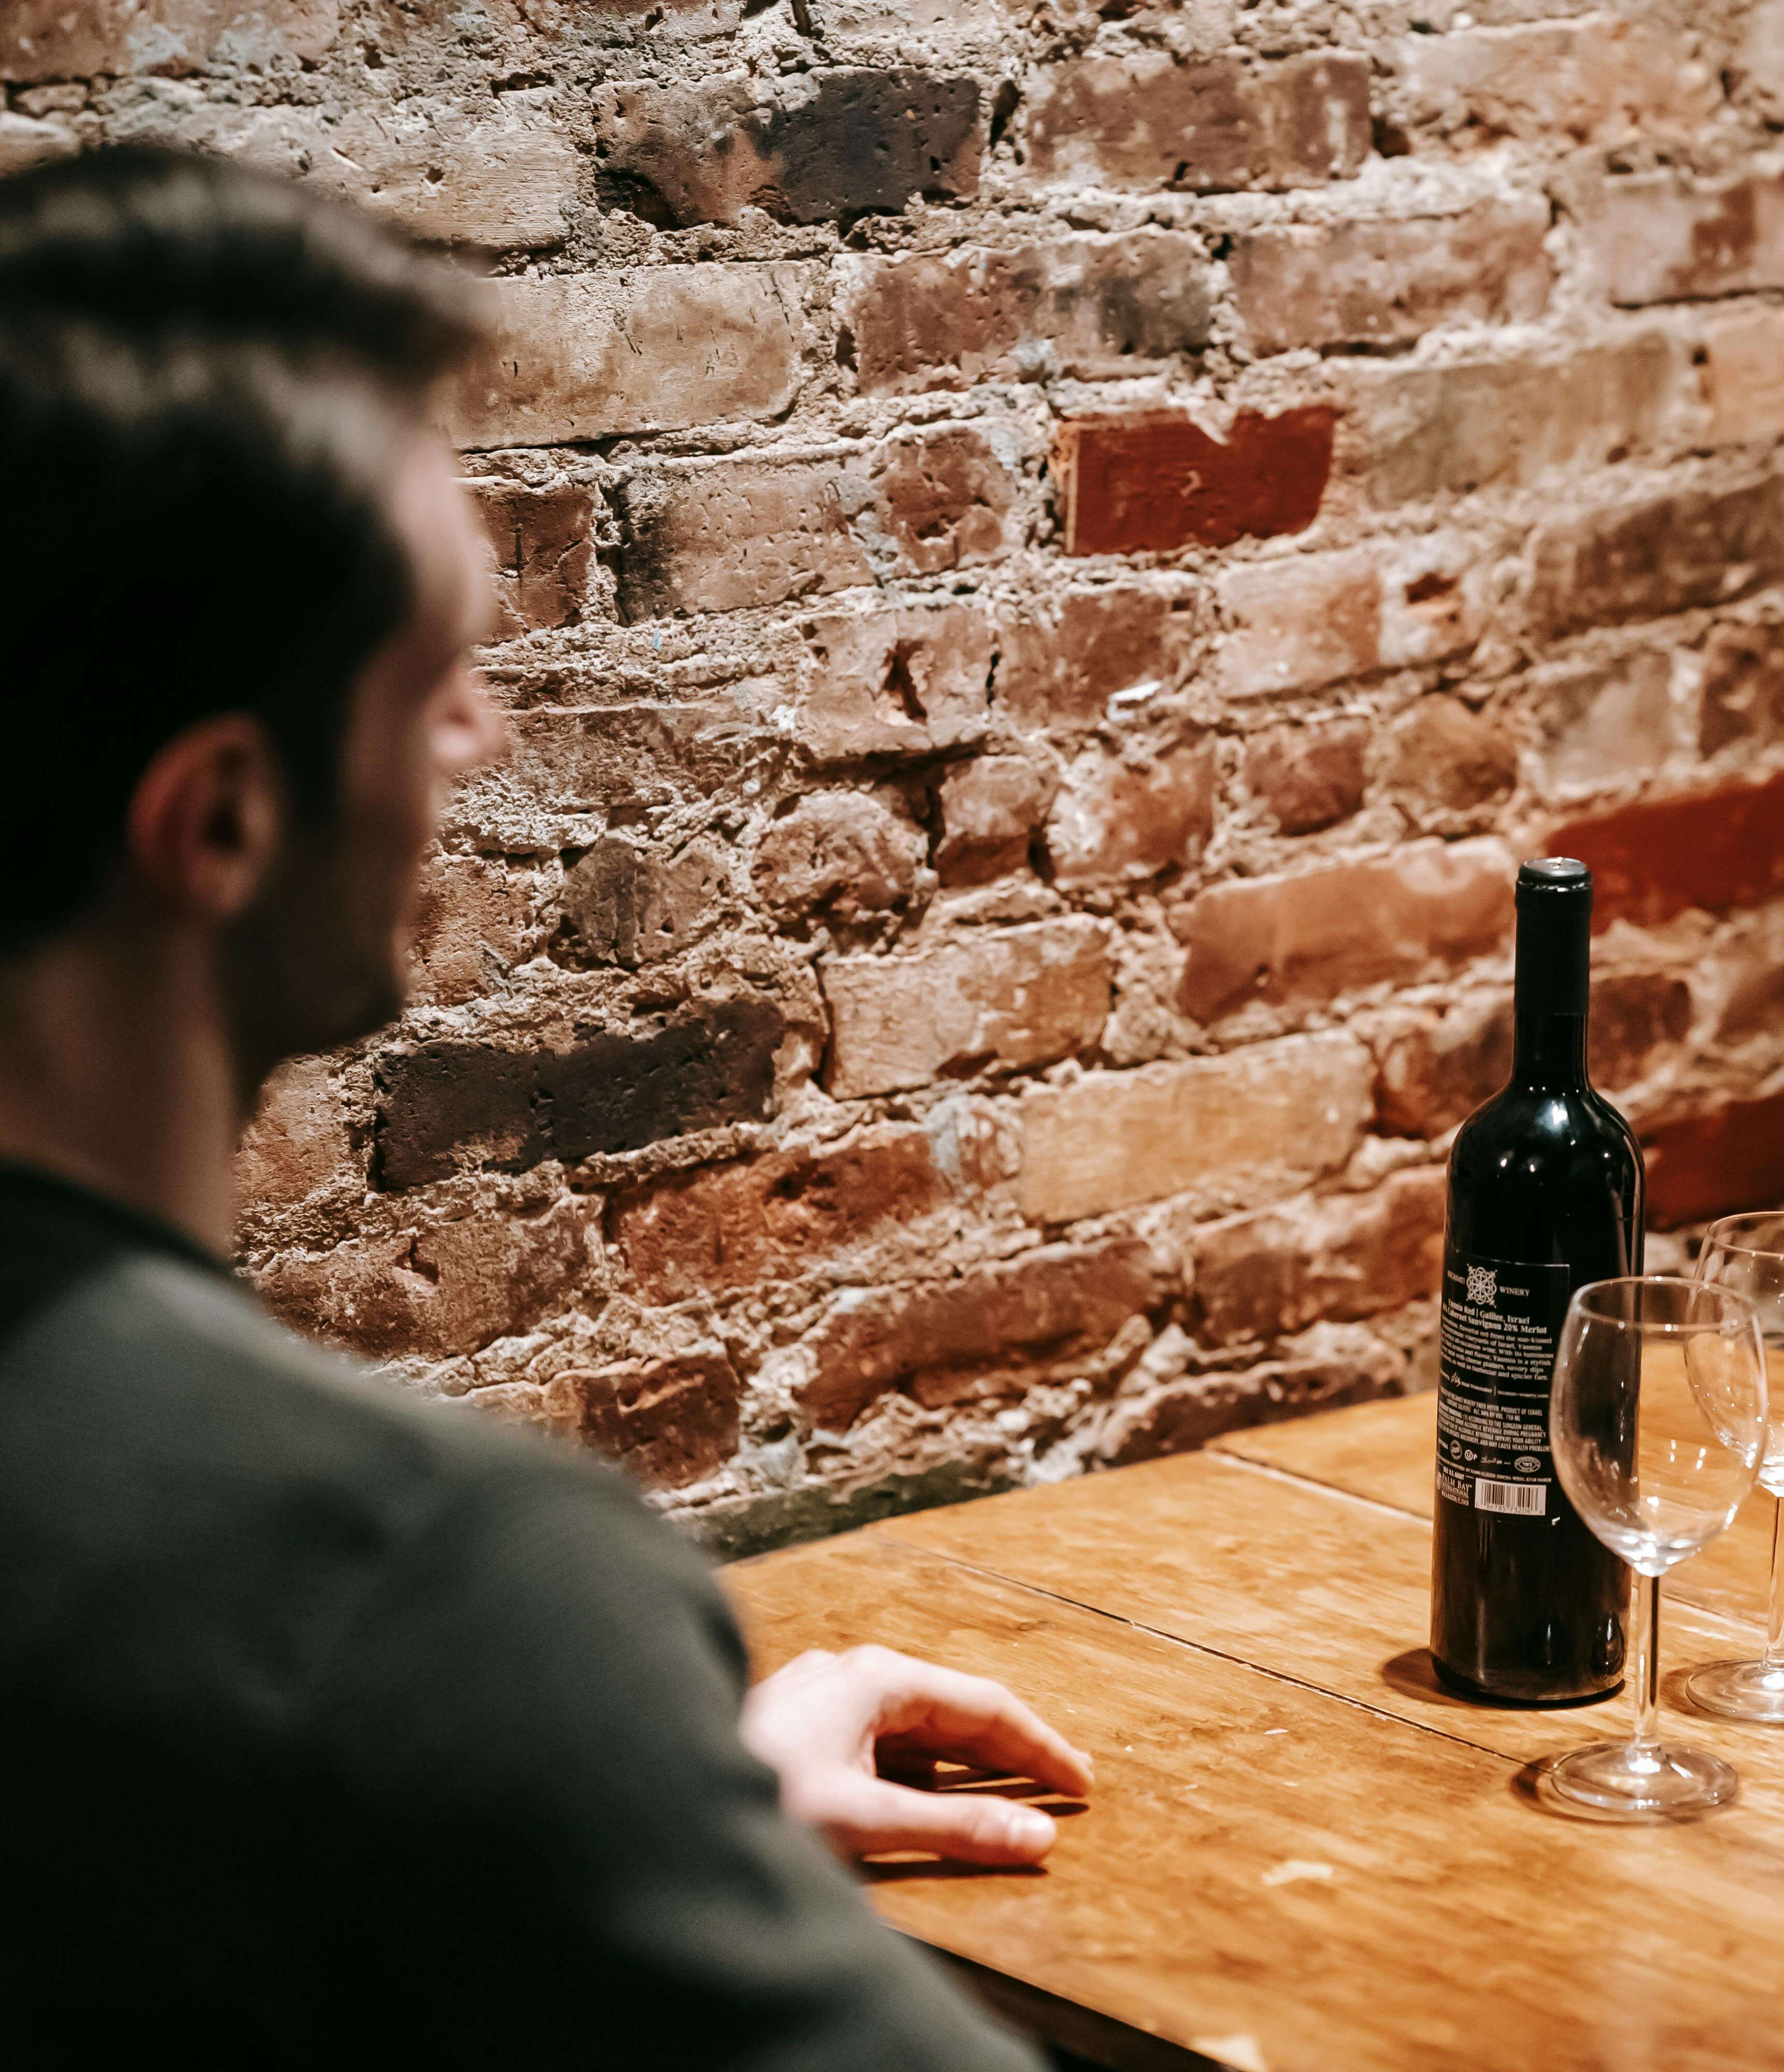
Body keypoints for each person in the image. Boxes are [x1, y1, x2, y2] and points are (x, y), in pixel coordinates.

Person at [0, 148, 1087, 2061]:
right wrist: (539, 1730)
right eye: (432, 685)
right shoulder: (414, 1589)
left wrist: (618, 1828)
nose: (478, 741)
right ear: (225, 818)